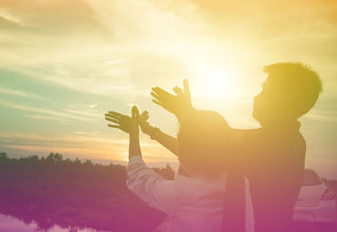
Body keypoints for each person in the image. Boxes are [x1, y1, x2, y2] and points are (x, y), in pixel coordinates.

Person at [149, 62, 323, 232]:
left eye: (265, 91)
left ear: (284, 100)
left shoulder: (273, 143)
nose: (256, 96)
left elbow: (196, 149)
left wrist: (183, 113)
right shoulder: (285, 140)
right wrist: (184, 114)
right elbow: (204, 142)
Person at [105, 106, 255, 232]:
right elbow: (203, 149)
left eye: (180, 138)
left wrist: (134, 133)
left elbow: (139, 176)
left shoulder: (184, 194)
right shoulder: (240, 180)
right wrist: (150, 130)